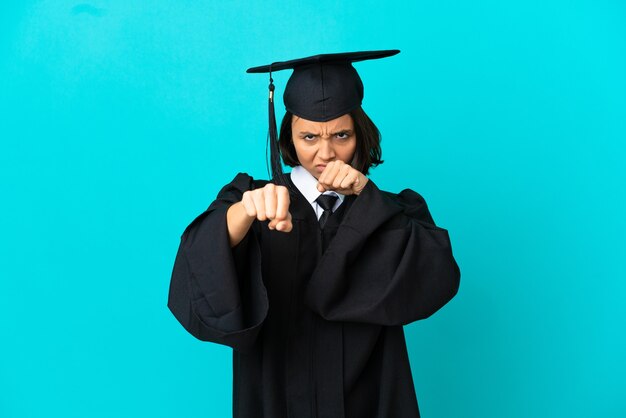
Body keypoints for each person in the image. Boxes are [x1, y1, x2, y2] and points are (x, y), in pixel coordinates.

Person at [167, 50, 461, 418]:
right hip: (276, 394)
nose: (326, 152)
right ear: (288, 134)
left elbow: (437, 277)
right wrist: (243, 212)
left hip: (371, 394)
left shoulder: (393, 209)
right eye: (308, 136)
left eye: (341, 134)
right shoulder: (253, 199)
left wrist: (368, 201)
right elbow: (197, 273)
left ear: (360, 132)